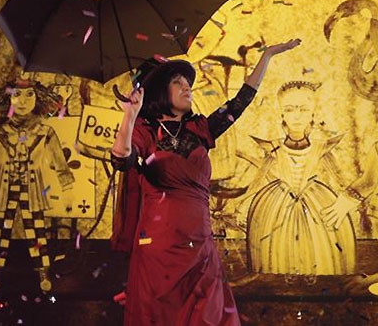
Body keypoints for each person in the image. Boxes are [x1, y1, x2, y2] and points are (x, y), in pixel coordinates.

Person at [111, 39, 301, 326]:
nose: (187, 87)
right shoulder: (144, 131)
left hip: (199, 245)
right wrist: (129, 116)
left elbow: (242, 100)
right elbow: (121, 160)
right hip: (159, 249)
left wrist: (268, 55)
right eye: (178, 82)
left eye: (188, 83)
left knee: (208, 316)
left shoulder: (200, 129)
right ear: (160, 91)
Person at [236, 80, 355, 281]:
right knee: (279, 240)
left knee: (317, 238)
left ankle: (312, 270)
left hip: (316, 201)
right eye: (290, 109)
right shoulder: (273, 147)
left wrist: (349, 200)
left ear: (313, 114)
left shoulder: (321, 147)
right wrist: (243, 205)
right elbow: (258, 179)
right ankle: (286, 270)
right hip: (278, 202)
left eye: (303, 109)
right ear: (282, 114)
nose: (297, 116)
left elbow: (341, 180)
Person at [0, 78, 73, 292]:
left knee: (37, 231)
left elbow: (59, 161)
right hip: (3, 188)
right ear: (8, 98)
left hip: (32, 187)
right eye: (16, 95)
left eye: (29, 95)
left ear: (38, 98)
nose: (22, 101)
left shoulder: (45, 131)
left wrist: (67, 187)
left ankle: (43, 273)